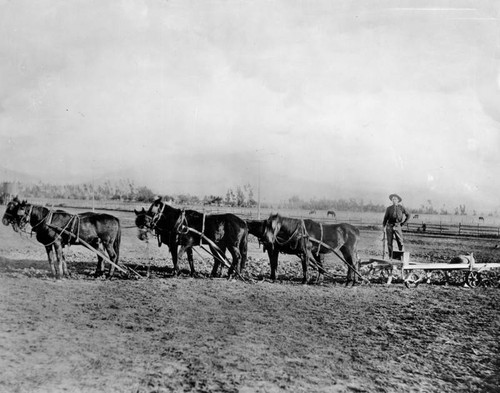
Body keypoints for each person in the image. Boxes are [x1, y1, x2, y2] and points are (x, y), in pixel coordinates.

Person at [383, 193, 410, 258]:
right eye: (392, 199)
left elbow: (408, 215)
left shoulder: (401, 208)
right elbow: (385, 218)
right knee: (389, 243)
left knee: (400, 242)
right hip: (389, 226)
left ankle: (401, 257)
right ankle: (390, 257)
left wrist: (402, 224)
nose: (394, 200)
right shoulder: (389, 208)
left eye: (395, 199)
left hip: (398, 226)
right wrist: (384, 227)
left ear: (398, 200)